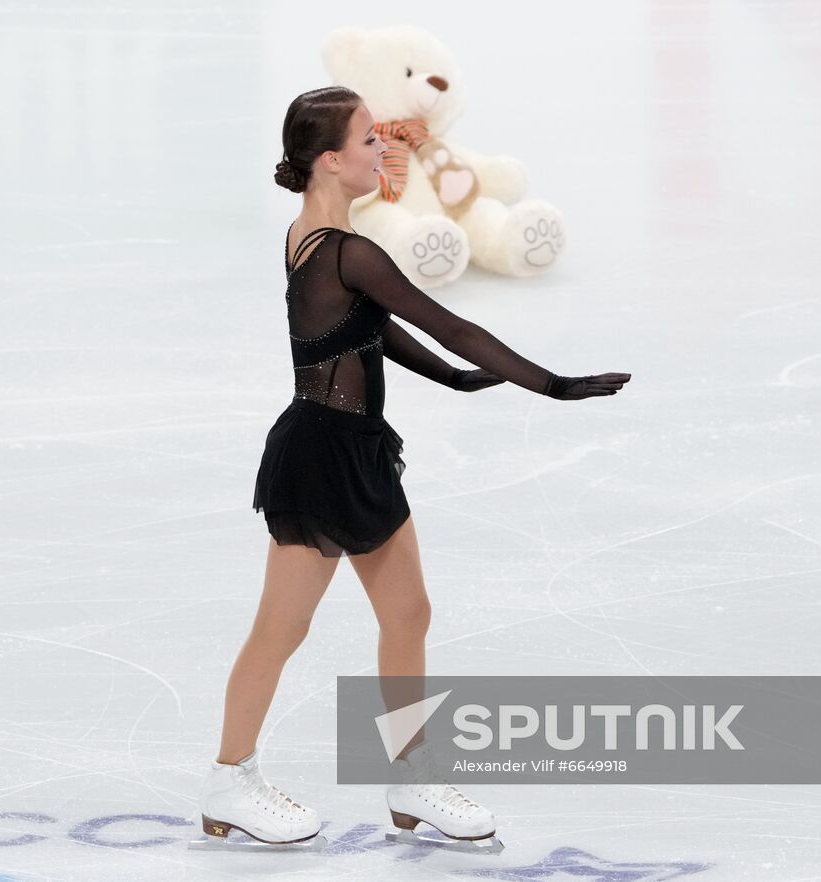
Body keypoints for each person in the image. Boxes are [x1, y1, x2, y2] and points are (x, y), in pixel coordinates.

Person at [195, 85, 631, 848]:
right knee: (282, 628)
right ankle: (230, 780)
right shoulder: (348, 249)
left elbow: (366, 331)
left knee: (408, 614)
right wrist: (552, 385)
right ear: (329, 159)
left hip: (359, 450)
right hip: (322, 458)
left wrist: (456, 381)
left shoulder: (317, 235)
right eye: (368, 140)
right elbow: (450, 322)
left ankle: (411, 779)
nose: (382, 150)